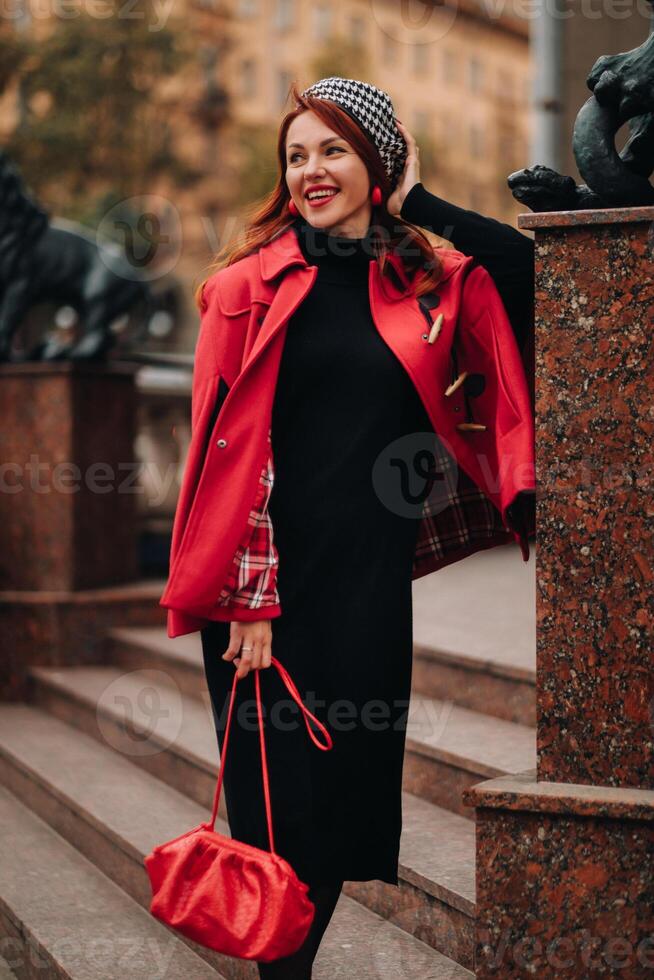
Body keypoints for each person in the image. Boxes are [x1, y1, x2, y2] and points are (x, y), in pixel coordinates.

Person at [171, 76, 535, 979]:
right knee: (276, 814)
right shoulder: (242, 288)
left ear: (378, 160)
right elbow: (228, 450)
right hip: (261, 596)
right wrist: (250, 598)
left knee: (339, 811)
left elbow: (540, 280)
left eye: (334, 149)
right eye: (296, 155)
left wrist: (417, 201)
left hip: (364, 589)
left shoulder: (428, 282)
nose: (311, 171)